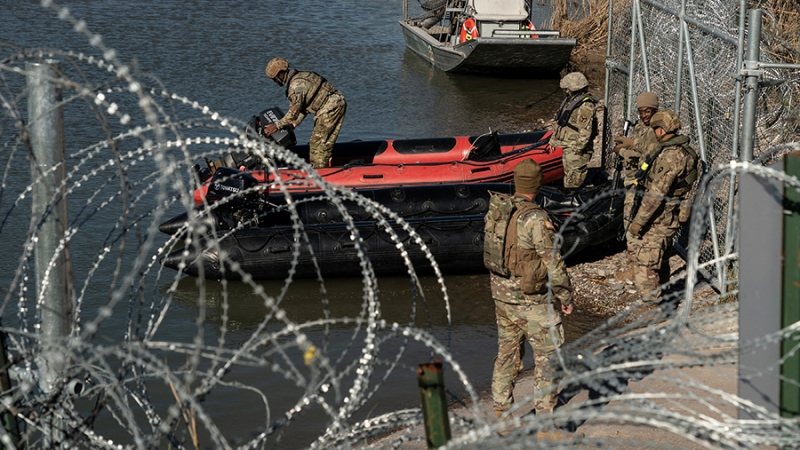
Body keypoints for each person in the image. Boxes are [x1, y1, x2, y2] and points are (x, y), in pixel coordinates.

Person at [486, 159, 574, 431]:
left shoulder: (498, 210)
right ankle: (546, 427)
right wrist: (565, 296)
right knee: (548, 357)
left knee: (507, 355)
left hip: (502, 297)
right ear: (538, 184)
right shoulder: (536, 219)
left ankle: (503, 417)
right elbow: (553, 262)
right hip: (531, 300)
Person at [626, 110, 699, 298]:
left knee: (645, 264)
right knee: (662, 257)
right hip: (670, 213)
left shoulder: (670, 156)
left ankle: (652, 307)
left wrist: (638, 222)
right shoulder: (680, 149)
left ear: (661, 130)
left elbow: (655, 195)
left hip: (661, 216)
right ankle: (664, 295)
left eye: (655, 129)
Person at [263, 57, 347, 169]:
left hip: (329, 109)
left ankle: (320, 172)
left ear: (281, 74)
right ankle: (324, 167)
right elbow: (305, 106)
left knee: (317, 146)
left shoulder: (295, 87)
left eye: (275, 79)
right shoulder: (302, 75)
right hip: (337, 103)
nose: (275, 82)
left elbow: (293, 113)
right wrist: (294, 123)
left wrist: (276, 126)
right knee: (324, 142)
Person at [612, 92, 661, 231]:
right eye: (641, 112)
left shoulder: (657, 129)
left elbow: (648, 155)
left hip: (644, 179)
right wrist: (624, 142)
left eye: (647, 111)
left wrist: (622, 151)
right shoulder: (640, 126)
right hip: (633, 176)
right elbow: (636, 145)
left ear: (655, 110)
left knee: (632, 215)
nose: (644, 115)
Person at [548, 72, 598, 189]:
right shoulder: (570, 102)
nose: (565, 91)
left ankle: (573, 196)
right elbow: (560, 123)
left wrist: (577, 150)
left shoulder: (585, 106)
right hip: (568, 145)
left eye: (567, 89)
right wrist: (553, 140)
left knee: (574, 180)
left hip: (575, 149)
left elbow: (585, 132)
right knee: (569, 174)